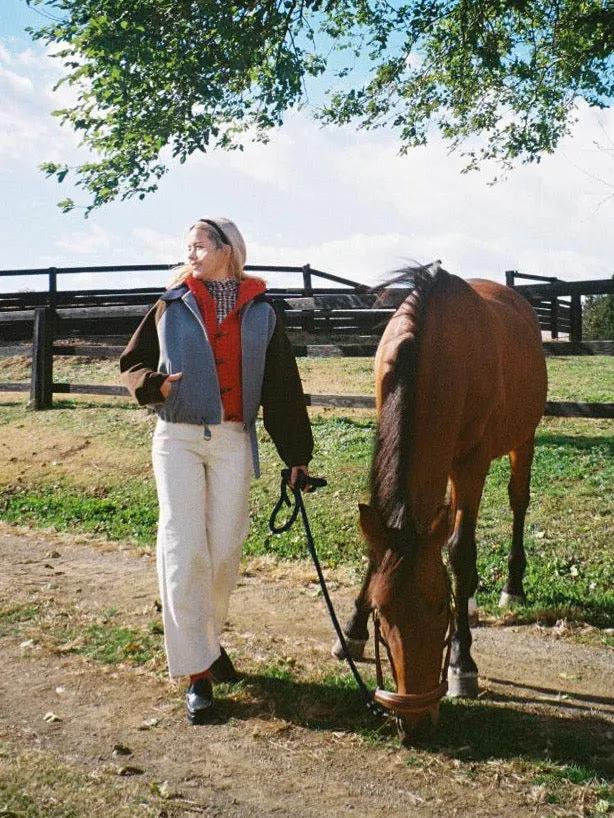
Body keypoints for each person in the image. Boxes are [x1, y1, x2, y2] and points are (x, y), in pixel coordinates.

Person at [120, 217, 314, 725]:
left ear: (228, 249)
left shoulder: (263, 312)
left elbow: (281, 386)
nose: (192, 253)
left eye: (201, 245)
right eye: (187, 247)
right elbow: (131, 364)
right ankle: (197, 674)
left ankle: (205, 641)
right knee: (185, 549)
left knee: (225, 551)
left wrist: (296, 454)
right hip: (177, 437)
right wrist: (154, 386)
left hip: (232, 439)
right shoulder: (171, 303)